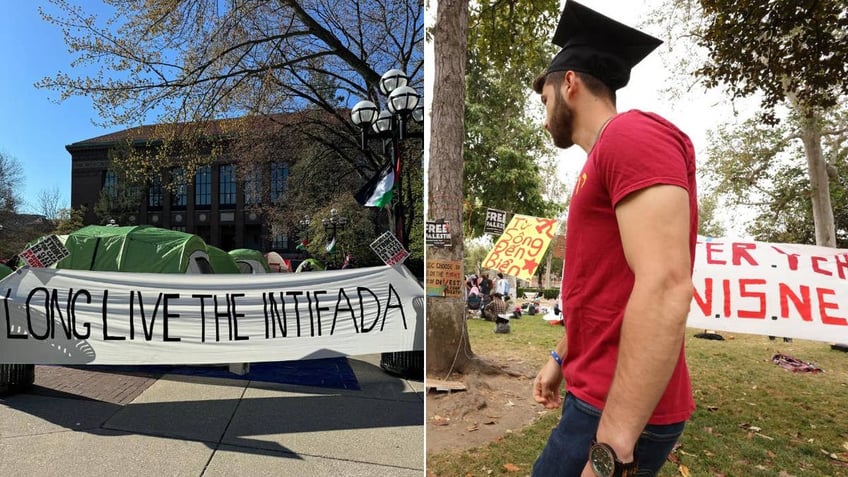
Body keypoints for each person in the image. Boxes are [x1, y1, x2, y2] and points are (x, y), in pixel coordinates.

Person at [530, 2, 698, 476]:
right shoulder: (605, 155)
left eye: (545, 100)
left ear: (569, 84)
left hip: (615, 415)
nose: (544, 117)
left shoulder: (630, 135)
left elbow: (666, 284)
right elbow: (607, 287)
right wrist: (561, 356)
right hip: (593, 393)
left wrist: (613, 448)